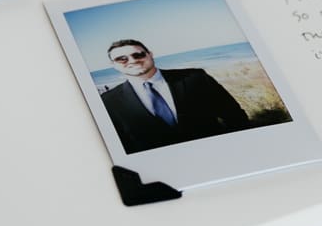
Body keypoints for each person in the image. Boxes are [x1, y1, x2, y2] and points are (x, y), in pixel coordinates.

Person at [98, 38, 251, 154]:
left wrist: (241, 148)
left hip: (218, 153)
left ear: (150, 54)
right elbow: (123, 145)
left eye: (138, 54)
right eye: (121, 59)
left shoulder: (195, 77)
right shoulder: (108, 101)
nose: (132, 60)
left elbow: (234, 115)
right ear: (113, 64)